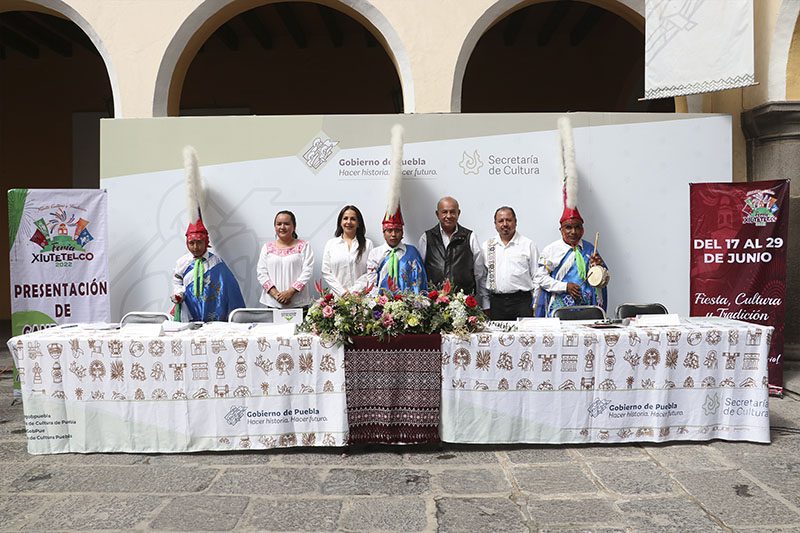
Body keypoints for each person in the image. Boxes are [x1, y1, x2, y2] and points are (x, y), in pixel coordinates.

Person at [171, 218, 245, 322]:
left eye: (199, 243)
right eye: (191, 243)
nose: (195, 247)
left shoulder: (216, 262)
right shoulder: (182, 263)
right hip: (189, 309)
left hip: (213, 309)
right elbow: (177, 282)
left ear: (206, 242)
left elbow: (230, 288)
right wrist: (178, 294)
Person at [535, 211, 608, 317]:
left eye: (577, 227)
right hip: (559, 311)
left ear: (582, 230)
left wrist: (598, 268)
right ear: (561, 230)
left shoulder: (590, 249)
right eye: (568, 227)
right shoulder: (551, 250)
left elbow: (603, 281)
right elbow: (540, 278)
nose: (573, 232)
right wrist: (565, 287)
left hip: (587, 310)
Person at [418, 196, 487, 303]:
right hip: (434, 304)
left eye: (452, 212)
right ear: (437, 214)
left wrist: (483, 300)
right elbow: (420, 272)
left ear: (458, 213)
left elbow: (479, 272)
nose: (449, 216)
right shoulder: (427, 238)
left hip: (463, 303)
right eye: (444, 212)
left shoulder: (470, 237)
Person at [480, 206, 539, 320]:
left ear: (515, 222)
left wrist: (535, 304)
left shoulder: (527, 245)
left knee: (524, 332)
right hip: (496, 303)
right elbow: (483, 277)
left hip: (523, 302)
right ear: (495, 224)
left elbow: (536, 276)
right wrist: (486, 304)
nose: (505, 224)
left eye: (509, 220)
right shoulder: (488, 246)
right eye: (500, 221)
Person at [257, 210, 315, 309]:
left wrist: (290, 292)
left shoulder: (304, 246)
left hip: (298, 302)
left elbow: (307, 271)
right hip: (273, 302)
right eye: (279, 224)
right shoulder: (267, 247)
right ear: (275, 226)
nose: (282, 227)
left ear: (294, 227)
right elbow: (261, 273)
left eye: (286, 224)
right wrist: (276, 295)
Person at [366, 210, 427, 294]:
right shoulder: (375, 253)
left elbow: (419, 280)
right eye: (389, 230)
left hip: (408, 300)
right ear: (384, 233)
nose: (393, 234)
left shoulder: (412, 252)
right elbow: (371, 281)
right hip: (381, 299)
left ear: (402, 233)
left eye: (397, 230)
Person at [321, 205, 374, 296]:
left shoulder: (367, 244)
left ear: (358, 223)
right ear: (340, 222)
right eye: (345, 218)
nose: (348, 222)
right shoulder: (331, 244)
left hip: (360, 297)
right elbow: (326, 271)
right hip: (337, 298)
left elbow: (370, 272)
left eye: (353, 219)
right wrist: (342, 292)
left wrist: (353, 291)